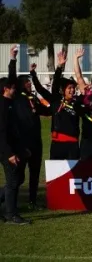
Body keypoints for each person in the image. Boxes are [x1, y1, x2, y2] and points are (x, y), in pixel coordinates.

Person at [8, 46, 50, 210]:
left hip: (36, 141)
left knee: (34, 173)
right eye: (27, 83)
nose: (29, 85)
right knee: (18, 176)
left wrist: (56, 107)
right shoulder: (17, 98)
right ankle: (13, 202)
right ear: (19, 86)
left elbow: (45, 111)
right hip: (22, 142)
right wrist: (13, 58)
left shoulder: (34, 99)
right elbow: (12, 78)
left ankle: (33, 201)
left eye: (30, 82)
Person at [33, 50, 85, 160]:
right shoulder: (56, 100)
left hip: (73, 144)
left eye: (73, 88)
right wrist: (59, 66)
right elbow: (47, 87)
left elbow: (82, 86)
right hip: (57, 144)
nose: (72, 90)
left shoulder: (77, 102)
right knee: (56, 174)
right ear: (63, 90)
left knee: (72, 176)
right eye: (69, 88)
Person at [0, 75, 31, 224]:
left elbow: (15, 130)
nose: (15, 90)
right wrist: (9, 154)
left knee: (19, 179)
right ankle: (11, 214)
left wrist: (23, 149)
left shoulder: (11, 103)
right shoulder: (3, 106)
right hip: (6, 150)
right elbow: (2, 132)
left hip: (16, 148)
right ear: (5, 89)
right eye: (12, 88)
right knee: (12, 181)